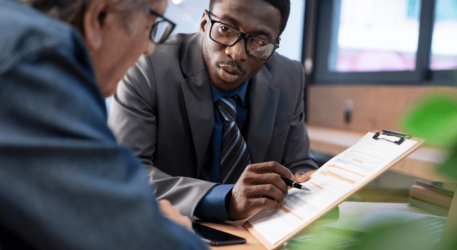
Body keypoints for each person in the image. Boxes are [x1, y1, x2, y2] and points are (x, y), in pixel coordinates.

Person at [0, 0, 208, 249]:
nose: (149, 48)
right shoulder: (34, 62)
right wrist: (168, 231)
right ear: (99, 17)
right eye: (151, 26)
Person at [108, 0, 319, 222]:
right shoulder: (147, 67)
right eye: (225, 29)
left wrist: (314, 190)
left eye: (259, 41)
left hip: (258, 231)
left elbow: (299, 165)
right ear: (204, 23)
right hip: (172, 227)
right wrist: (225, 200)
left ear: (275, 44)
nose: (236, 53)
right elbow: (125, 172)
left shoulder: (290, 77)